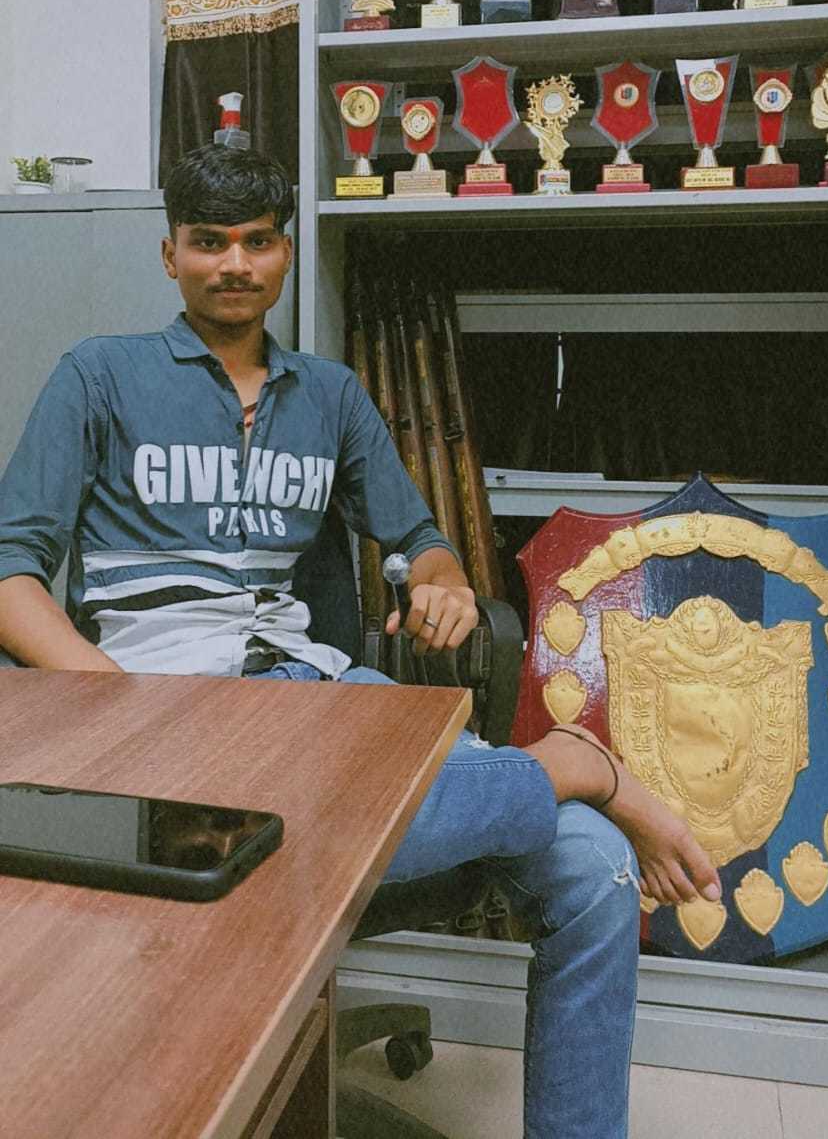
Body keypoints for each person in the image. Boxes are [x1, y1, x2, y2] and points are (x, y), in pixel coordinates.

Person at [0, 145, 720, 1139]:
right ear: (170, 255)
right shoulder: (100, 374)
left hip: (319, 698)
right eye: (209, 243)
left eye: (258, 242)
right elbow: (11, 576)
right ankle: (576, 767)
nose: (234, 264)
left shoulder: (329, 394)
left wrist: (442, 582)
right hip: (171, 702)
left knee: (593, 869)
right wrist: (123, 702)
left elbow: (421, 541)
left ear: (286, 254)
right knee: (270, 834)